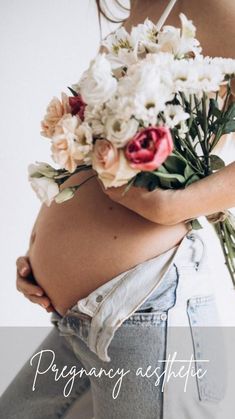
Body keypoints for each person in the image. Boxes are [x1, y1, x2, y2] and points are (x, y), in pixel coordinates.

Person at [1, 0, 235, 418]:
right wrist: (48, 255)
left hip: (145, 306)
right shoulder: (148, 5)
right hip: (82, 318)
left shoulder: (218, 7)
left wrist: (173, 206)